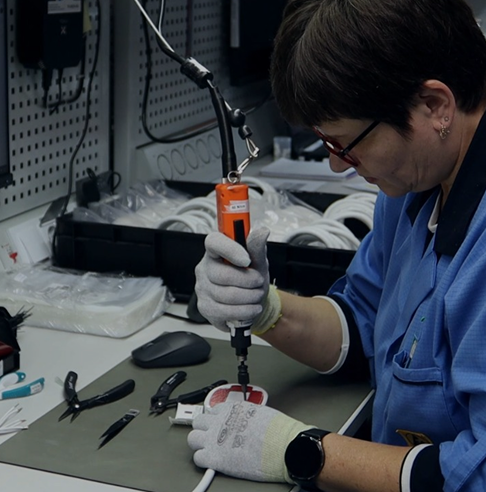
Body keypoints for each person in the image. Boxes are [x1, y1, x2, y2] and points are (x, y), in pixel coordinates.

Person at [187, 0, 486, 490]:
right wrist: (266, 309)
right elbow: (364, 323)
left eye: (345, 144)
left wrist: (303, 450)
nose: (336, 165)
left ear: (435, 106)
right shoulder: (413, 183)